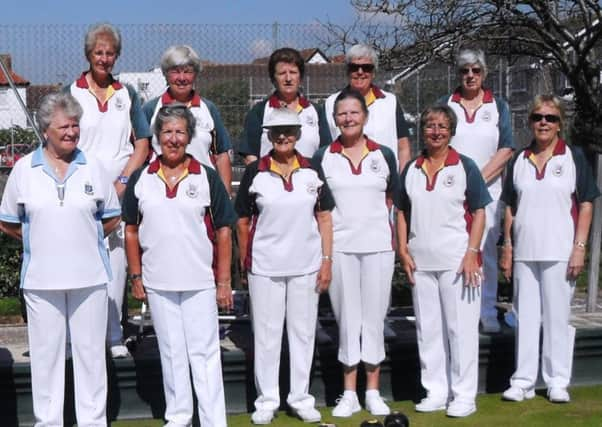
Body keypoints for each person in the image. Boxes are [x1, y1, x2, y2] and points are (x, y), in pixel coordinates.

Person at [0, 92, 121, 427]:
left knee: (91, 357)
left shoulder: (94, 167)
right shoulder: (24, 170)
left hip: (90, 279)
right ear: (45, 130)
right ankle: (48, 422)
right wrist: (39, 241)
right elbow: (8, 221)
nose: (71, 132)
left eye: (75, 125)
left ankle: (93, 422)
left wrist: (86, 237)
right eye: (64, 126)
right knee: (46, 358)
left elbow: (112, 217)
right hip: (41, 281)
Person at [123, 104, 235, 427]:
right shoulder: (142, 178)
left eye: (180, 132)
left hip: (200, 280)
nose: (173, 138)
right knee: (171, 351)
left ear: (189, 137)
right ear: (158, 137)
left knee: (204, 354)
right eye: (167, 132)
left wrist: (223, 280)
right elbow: (131, 230)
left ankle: (214, 420)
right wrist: (136, 275)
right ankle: (179, 416)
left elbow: (224, 230)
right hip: (158, 282)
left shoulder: (207, 177)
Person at [235, 108, 334, 425]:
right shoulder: (255, 172)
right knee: (266, 335)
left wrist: (326, 261)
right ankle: (267, 400)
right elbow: (242, 219)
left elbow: (324, 217)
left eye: (289, 130)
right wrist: (245, 259)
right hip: (264, 266)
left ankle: (300, 398)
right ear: (268, 135)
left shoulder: (312, 169)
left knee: (303, 334)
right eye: (277, 131)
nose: (283, 136)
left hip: (306, 265)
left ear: (298, 133)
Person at [500, 95, 599, 404]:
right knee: (526, 317)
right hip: (525, 253)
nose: (544, 122)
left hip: (560, 251)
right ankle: (523, 381)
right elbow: (510, 207)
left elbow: (585, 204)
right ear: (531, 121)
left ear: (559, 124)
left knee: (557, 318)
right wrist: (507, 245)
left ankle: (557, 380)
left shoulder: (574, 157)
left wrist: (579, 247)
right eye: (539, 117)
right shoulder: (519, 160)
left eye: (551, 118)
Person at [312, 88, 401, 418]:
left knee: (374, 319)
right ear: (334, 120)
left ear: (364, 116)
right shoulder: (323, 156)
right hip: (340, 250)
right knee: (347, 320)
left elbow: (393, 198)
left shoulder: (385, 154)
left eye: (354, 113)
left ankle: (373, 391)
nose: (348, 119)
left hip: (378, 248)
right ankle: (348, 394)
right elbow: (319, 207)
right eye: (341, 114)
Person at [398, 105, 491, 418]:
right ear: (422, 130)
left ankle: (464, 395)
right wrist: (403, 250)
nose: (435, 131)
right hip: (421, 263)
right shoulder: (411, 169)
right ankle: (436, 391)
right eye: (429, 126)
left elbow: (479, 211)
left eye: (441, 126)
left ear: (451, 131)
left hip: (458, 263)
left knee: (460, 331)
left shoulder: (465, 166)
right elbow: (401, 211)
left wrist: (472, 253)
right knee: (428, 330)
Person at [67, 22, 152, 358]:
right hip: (81, 192)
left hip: (118, 193)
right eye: (99, 52)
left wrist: (124, 182)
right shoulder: (70, 92)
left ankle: (114, 336)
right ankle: (76, 338)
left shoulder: (127, 94)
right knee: (78, 262)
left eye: (110, 53)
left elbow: (142, 143)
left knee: (116, 263)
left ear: (117, 56)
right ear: (89, 54)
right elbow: (61, 139)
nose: (104, 58)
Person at [439, 48, 515, 333]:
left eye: (475, 70)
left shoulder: (499, 106)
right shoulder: (446, 104)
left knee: (486, 253)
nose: (470, 76)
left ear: (483, 73)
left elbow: (506, 148)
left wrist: (477, 181)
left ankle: (487, 311)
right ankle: (459, 310)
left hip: (489, 194)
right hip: (452, 192)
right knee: (456, 250)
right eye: (464, 71)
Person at [143, 44, 233, 194]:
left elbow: (221, 155)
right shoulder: (150, 109)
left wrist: (226, 194)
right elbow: (140, 154)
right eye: (175, 72)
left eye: (188, 72)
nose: (182, 78)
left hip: (203, 192)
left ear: (196, 74)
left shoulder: (208, 109)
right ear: (165, 74)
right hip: (159, 192)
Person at [322, 43, 412, 171]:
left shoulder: (390, 102)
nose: (360, 72)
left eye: (366, 68)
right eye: (354, 67)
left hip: (385, 183)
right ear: (347, 71)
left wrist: (402, 182)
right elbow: (325, 149)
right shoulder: (331, 103)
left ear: (374, 72)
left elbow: (403, 147)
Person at [239, 47, 331, 163]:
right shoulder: (259, 111)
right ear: (273, 78)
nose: (288, 78)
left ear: (300, 77)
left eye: (293, 72)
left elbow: (326, 153)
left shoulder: (316, 111)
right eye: (282, 73)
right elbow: (250, 155)